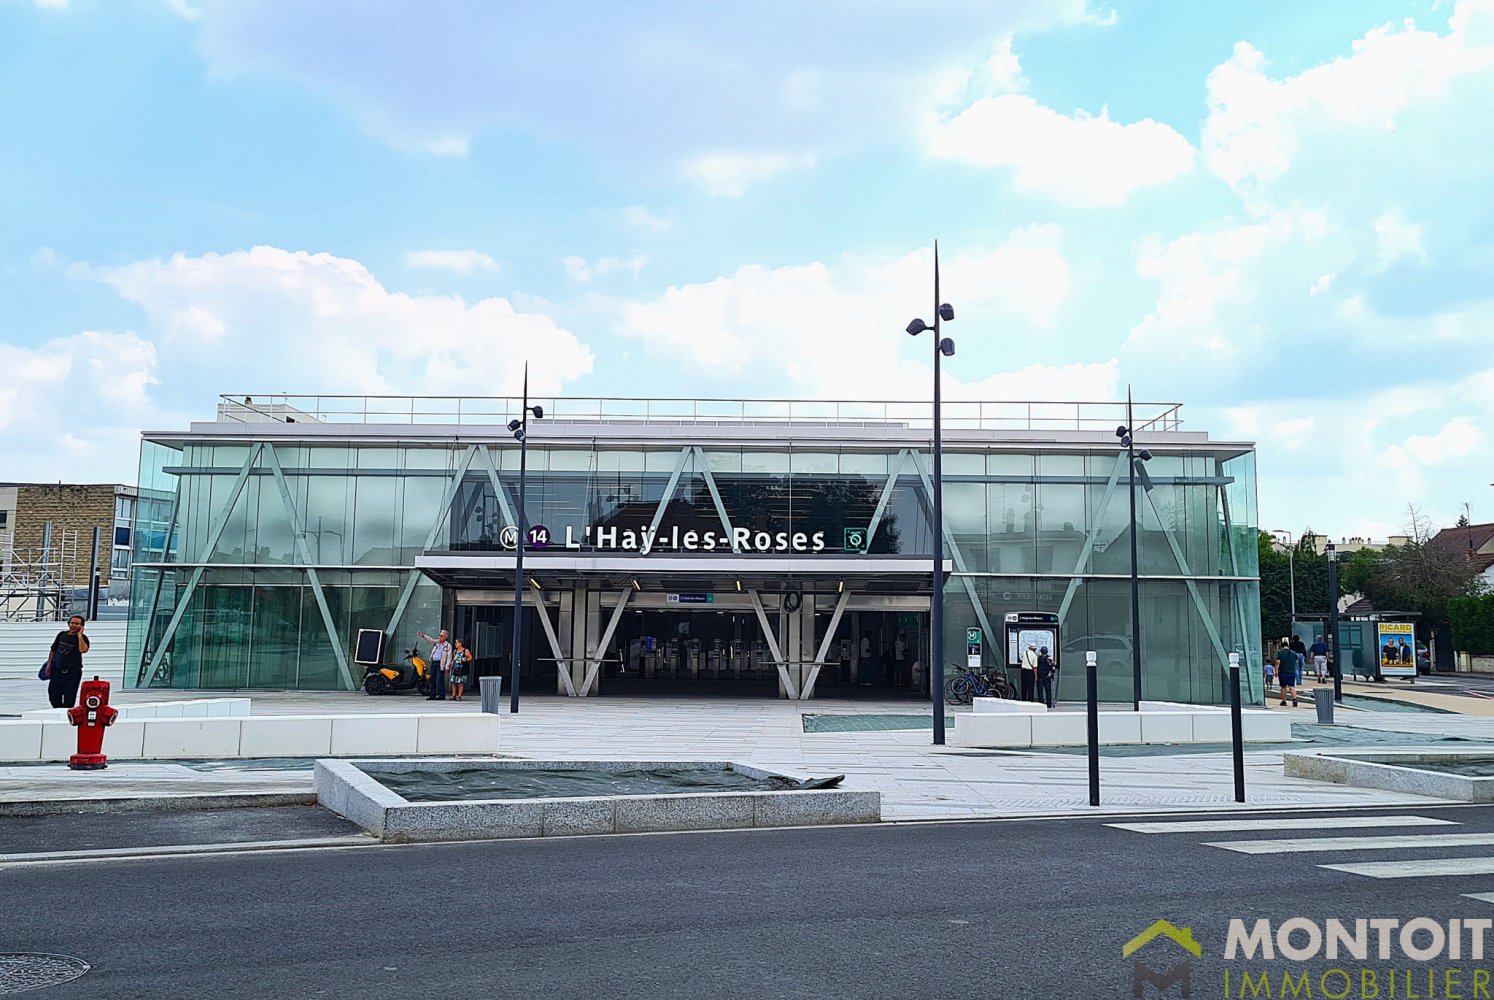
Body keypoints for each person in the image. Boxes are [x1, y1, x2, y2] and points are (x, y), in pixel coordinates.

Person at [45, 615, 90, 709]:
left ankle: (65, 713)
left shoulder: (83, 638)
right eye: (72, 623)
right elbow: (53, 650)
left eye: (77, 624)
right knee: (53, 696)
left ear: (81, 626)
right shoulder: (61, 635)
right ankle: (58, 710)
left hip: (72, 672)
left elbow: (83, 650)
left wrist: (80, 636)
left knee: (69, 698)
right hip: (57, 671)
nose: (73, 625)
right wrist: (49, 664)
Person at [425, 629, 451, 701]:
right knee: (432, 679)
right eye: (439, 635)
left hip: (441, 663)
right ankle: (432, 694)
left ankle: (441, 695)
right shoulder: (437, 643)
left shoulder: (448, 646)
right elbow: (430, 640)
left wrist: (447, 666)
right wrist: (423, 636)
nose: (439, 637)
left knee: (439, 679)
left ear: (445, 637)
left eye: (441, 636)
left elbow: (449, 657)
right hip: (434, 662)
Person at [1274, 638, 1299, 708]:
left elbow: (1278, 662)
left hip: (1283, 672)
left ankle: (1284, 701)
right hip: (1292, 672)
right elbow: (1297, 661)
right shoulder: (1293, 653)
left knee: (1283, 687)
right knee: (1291, 686)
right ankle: (1294, 699)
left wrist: (1276, 671)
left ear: (1282, 646)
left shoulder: (1280, 653)